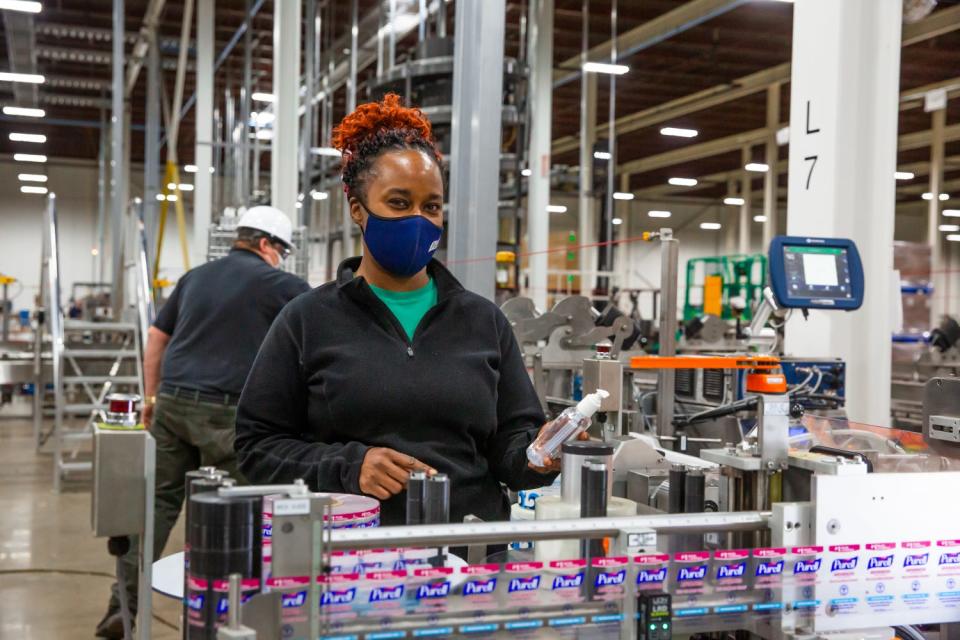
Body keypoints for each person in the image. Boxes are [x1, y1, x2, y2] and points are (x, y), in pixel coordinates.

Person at [235, 94, 565, 528]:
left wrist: (540, 456)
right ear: (358, 209)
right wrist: (349, 466)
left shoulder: (483, 321)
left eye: (431, 206)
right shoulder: (306, 320)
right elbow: (256, 447)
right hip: (350, 555)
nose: (418, 219)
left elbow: (510, 450)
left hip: (470, 555)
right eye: (398, 202)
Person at [95, 206, 311, 639]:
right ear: (268, 245)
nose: (281, 259)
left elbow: (157, 338)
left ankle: (121, 609)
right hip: (231, 415)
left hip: (174, 403)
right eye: (281, 250)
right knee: (242, 517)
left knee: (153, 511)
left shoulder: (195, 277)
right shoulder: (283, 285)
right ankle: (230, 619)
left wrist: (153, 398)